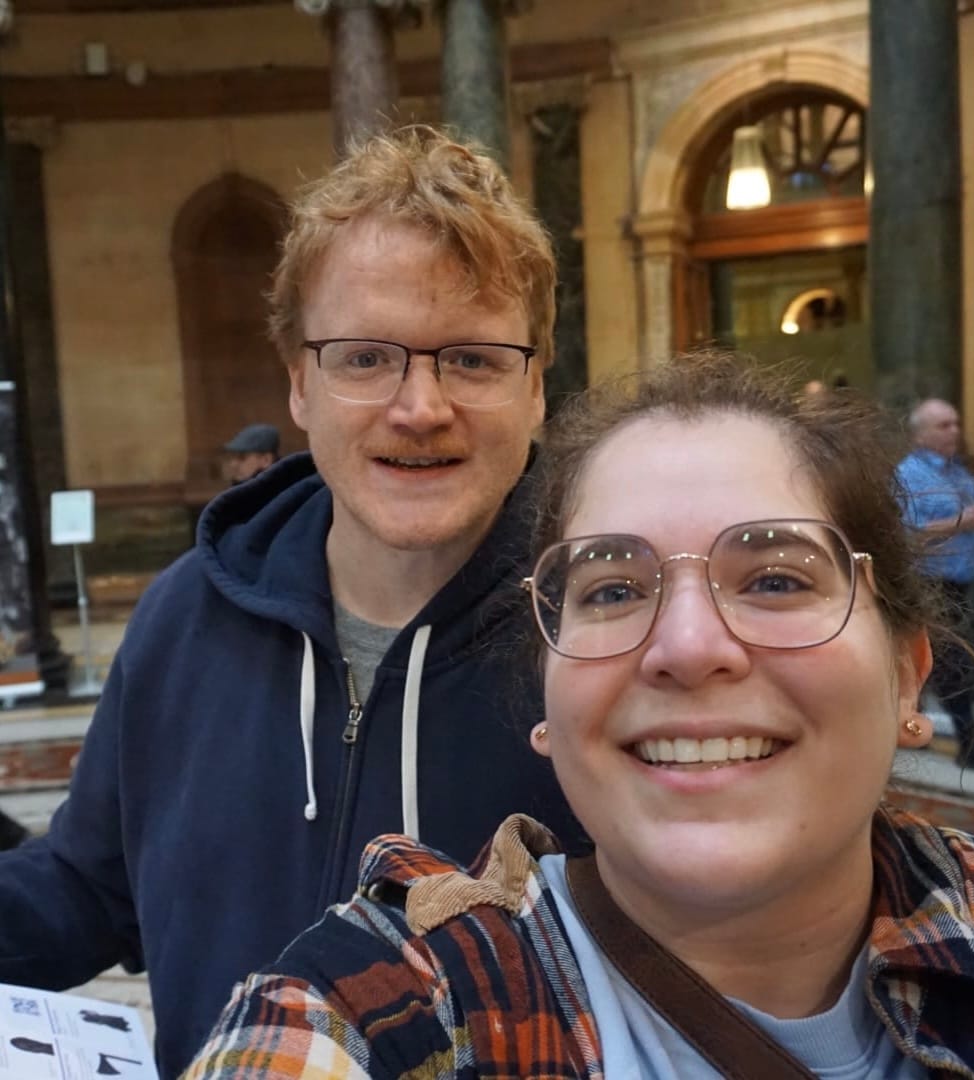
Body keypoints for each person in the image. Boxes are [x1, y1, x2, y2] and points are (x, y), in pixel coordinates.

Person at [184, 353, 974, 1078]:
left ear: (906, 676)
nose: (687, 647)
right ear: (547, 696)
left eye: (775, 579)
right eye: (612, 590)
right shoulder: (383, 1009)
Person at [0, 125, 583, 1078]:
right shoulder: (187, 616)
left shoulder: (604, 632)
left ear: (537, 388)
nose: (420, 407)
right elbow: (87, 886)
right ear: (300, 384)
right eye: (365, 358)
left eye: (474, 360)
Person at [896, 398, 974, 777]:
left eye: (956, 423)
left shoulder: (956, 471)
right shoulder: (909, 475)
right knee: (953, 664)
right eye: (944, 425)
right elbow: (908, 533)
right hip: (928, 584)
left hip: (960, 584)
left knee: (931, 663)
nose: (955, 431)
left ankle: (913, 731)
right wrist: (966, 520)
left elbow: (972, 509)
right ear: (920, 434)